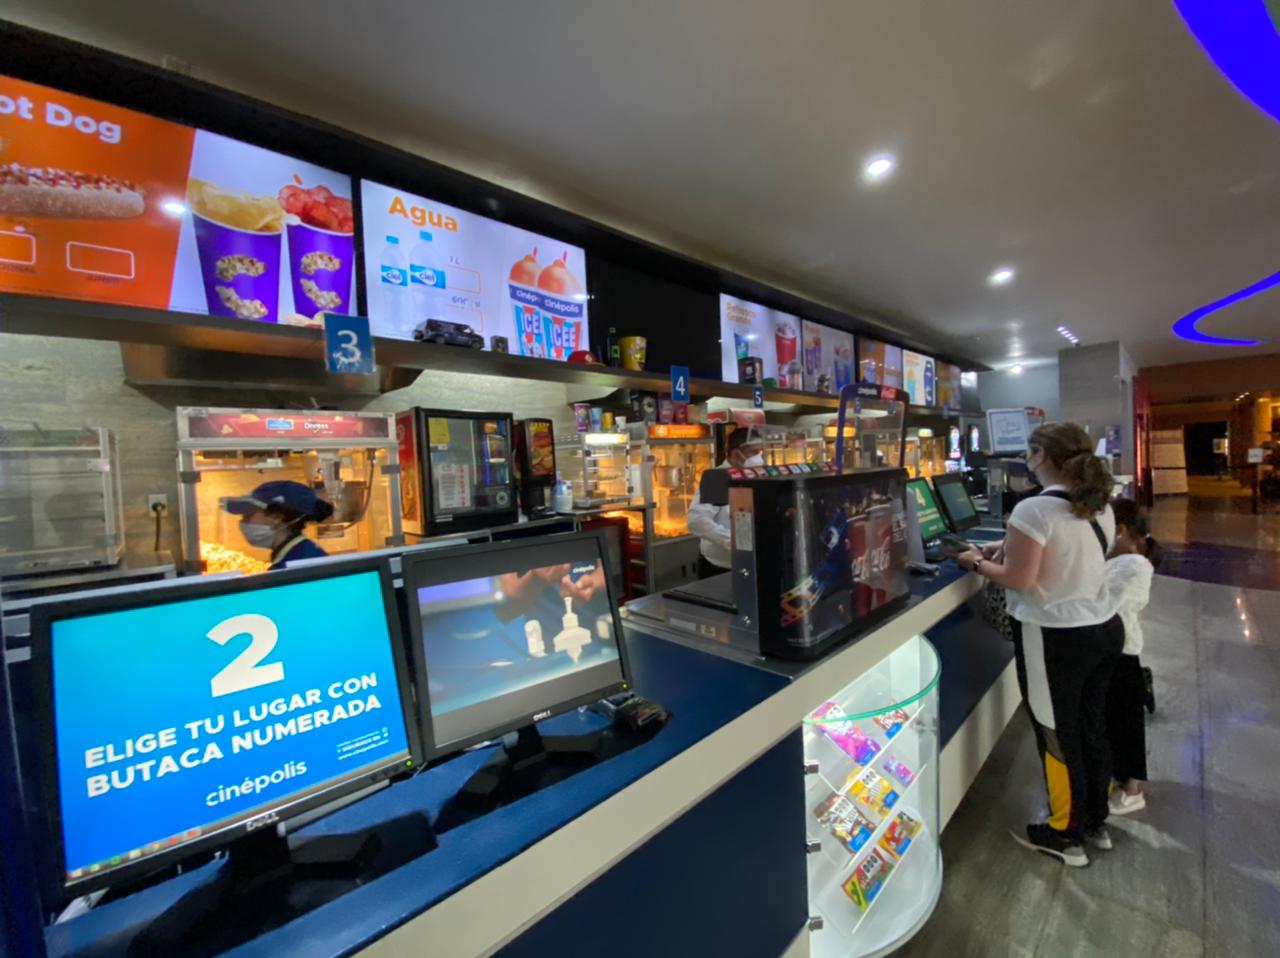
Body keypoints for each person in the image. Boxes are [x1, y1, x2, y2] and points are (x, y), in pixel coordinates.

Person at [955, 422, 1122, 867]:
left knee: (1055, 731)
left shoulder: (1034, 508)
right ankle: (1095, 821)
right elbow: (1070, 551)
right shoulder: (1098, 504)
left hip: (1055, 636)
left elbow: (1019, 578)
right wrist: (1008, 543)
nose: (1027, 460)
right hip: (1103, 628)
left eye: (1030, 452)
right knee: (1090, 724)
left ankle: (1064, 834)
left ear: (1043, 455)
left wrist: (975, 562)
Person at [1104, 497, 1159, 816]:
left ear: (1121, 530)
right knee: (1118, 721)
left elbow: (1102, 598)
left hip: (1122, 653)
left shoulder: (1133, 565)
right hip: (1118, 650)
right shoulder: (1127, 561)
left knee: (1126, 723)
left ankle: (1133, 790)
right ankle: (1123, 779)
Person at [687, 427, 764, 577]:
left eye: (760, 452)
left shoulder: (752, 476)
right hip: (720, 569)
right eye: (754, 452)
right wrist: (732, 541)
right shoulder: (719, 478)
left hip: (749, 564)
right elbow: (696, 520)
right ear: (736, 454)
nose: (760, 458)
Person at [223, 480, 335, 570]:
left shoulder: (292, 569)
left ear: (276, 517)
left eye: (248, 516)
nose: (242, 523)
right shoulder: (302, 552)